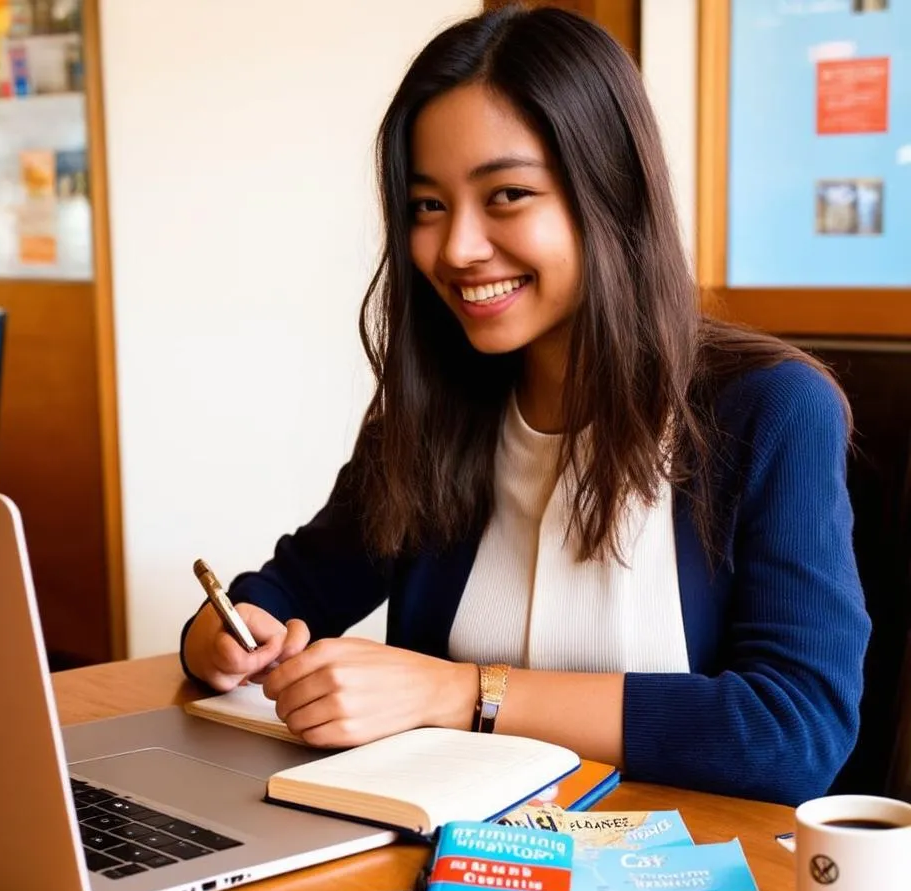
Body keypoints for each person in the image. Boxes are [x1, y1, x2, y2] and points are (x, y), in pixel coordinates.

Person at [181, 7, 869, 806]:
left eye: (506, 194)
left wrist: (462, 694)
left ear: (610, 191)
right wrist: (220, 640)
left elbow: (796, 732)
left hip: (673, 887)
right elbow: (288, 592)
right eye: (427, 206)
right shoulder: (437, 409)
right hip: (446, 867)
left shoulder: (769, 409)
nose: (455, 248)